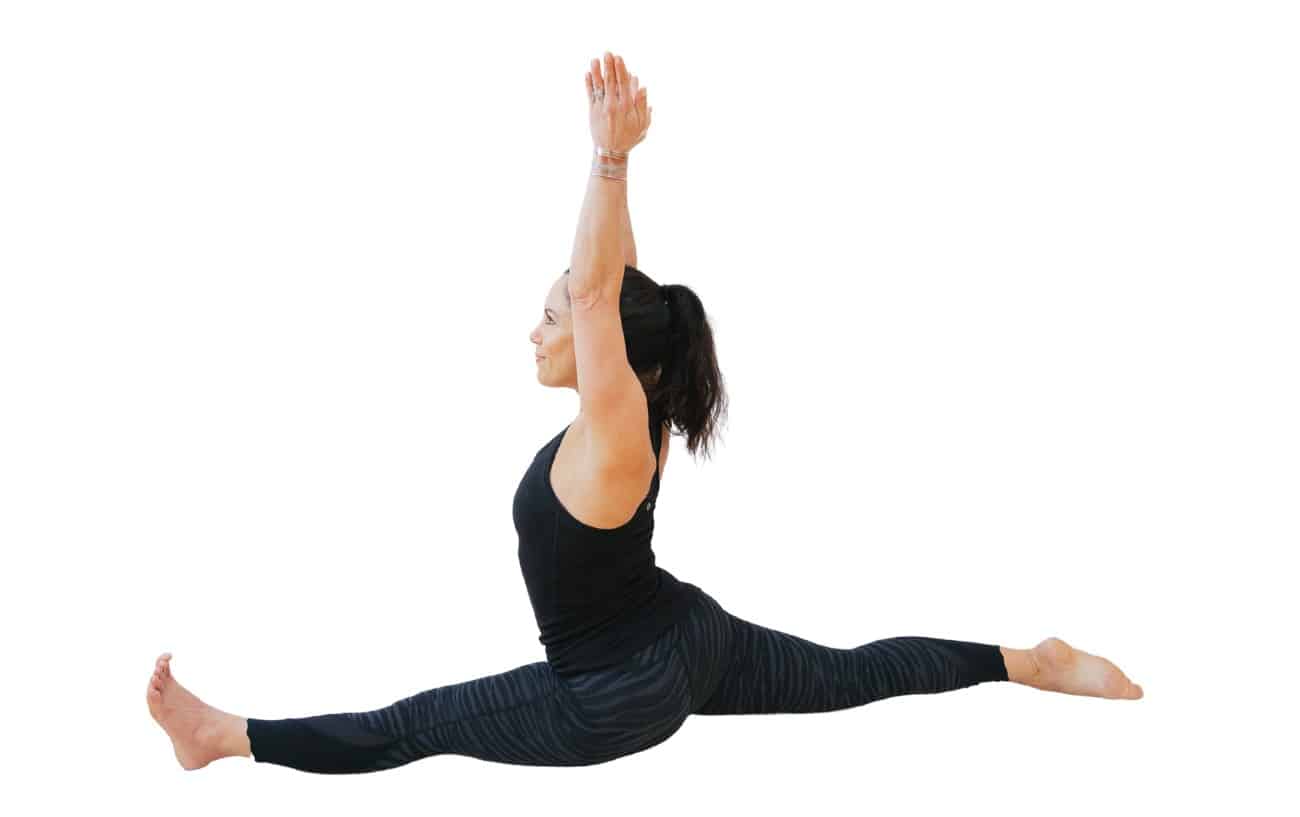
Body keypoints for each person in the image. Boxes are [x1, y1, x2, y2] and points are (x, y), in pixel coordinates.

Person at [146, 51, 1143, 774]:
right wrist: (611, 217)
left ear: (596, 340)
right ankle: (1023, 661)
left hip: (613, 695)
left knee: (411, 725)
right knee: (846, 674)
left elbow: (593, 295)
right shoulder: (637, 409)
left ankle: (222, 738)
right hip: (686, 634)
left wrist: (610, 161)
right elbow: (610, 297)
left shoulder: (617, 429)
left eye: (550, 316)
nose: (533, 331)